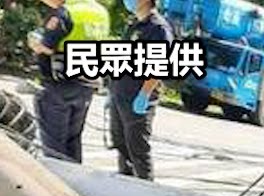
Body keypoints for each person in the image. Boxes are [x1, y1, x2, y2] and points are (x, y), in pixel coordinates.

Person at [27, 0, 110, 163]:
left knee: (53, 145)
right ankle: (73, 182)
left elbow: (46, 46)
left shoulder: (66, 12)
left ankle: (55, 185)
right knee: (73, 141)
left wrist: (34, 42)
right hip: (86, 82)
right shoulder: (101, 12)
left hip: (59, 84)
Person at [108, 0, 173, 180]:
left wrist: (144, 94)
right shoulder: (134, 25)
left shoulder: (158, 29)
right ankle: (125, 184)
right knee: (121, 145)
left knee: (137, 149)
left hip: (137, 96)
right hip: (120, 94)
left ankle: (146, 189)